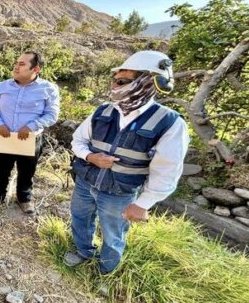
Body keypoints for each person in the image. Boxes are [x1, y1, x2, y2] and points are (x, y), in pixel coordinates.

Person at [64, 50, 189, 276]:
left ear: (146, 82)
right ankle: (84, 252)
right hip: (85, 183)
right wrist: (91, 157)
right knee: (80, 220)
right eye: (114, 80)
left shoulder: (169, 122)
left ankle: (106, 271)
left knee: (113, 234)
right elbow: (78, 140)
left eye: (122, 81)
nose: (115, 86)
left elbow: (167, 170)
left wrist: (143, 203)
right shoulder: (103, 111)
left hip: (119, 193)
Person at [0, 51, 60, 214]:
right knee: (0, 171)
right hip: (4, 136)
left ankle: (24, 199)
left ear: (36, 69)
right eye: (16, 63)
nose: (16, 67)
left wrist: (31, 126)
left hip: (30, 139)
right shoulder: (3, 86)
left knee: (27, 171)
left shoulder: (48, 89)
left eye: (22, 64)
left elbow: (52, 114)